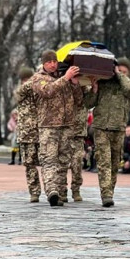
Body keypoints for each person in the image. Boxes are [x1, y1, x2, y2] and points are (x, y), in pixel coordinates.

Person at [31, 51, 83, 206]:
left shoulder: (64, 78)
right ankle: (51, 191)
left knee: (63, 161)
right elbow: (48, 91)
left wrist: (74, 83)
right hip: (48, 126)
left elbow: (79, 101)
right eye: (49, 62)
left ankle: (60, 193)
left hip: (66, 126)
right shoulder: (38, 78)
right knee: (49, 160)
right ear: (44, 63)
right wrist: (65, 78)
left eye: (55, 61)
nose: (53, 64)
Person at [84, 57, 130, 207]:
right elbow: (88, 103)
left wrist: (119, 75)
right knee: (103, 162)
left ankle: (110, 191)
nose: (120, 73)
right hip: (101, 127)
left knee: (114, 163)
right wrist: (93, 90)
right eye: (118, 70)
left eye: (124, 71)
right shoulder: (102, 82)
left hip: (118, 128)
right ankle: (106, 194)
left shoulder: (126, 85)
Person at [13, 66, 42, 202]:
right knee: (29, 164)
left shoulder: (38, 90)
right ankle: (34, 192)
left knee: (48, 163)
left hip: (42, 132)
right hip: (26, 134)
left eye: (28, 79)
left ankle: (53, 190)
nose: (26, 82)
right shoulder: (20, 91)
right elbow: (19, 94)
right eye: (24, 80)